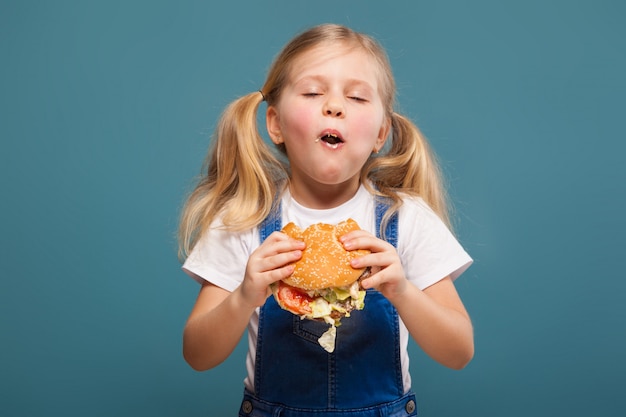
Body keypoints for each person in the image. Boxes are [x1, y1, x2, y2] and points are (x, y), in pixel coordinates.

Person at [178, 23, 474, 417]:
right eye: (313, 92)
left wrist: (402, 290)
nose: (334, 106)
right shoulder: (244, 218)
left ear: (380, 133)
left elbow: (459, 351)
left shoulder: (406, 218)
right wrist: (246, 294)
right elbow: (197, 354)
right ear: (276, 124)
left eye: (356, 96)